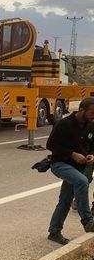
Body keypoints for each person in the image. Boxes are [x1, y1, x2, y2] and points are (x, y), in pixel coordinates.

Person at [46, 97, 94, 245]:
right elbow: (51, 144)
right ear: (81, 110)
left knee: (65, 200)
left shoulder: (91, 125)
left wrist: (92, 155)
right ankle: (87, 220)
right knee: (82, 181)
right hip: (60, 164)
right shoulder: (64, 124)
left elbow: (92, 145)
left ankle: (54, 231)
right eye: (92, 112)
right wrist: (72, 154)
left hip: (77, 167)